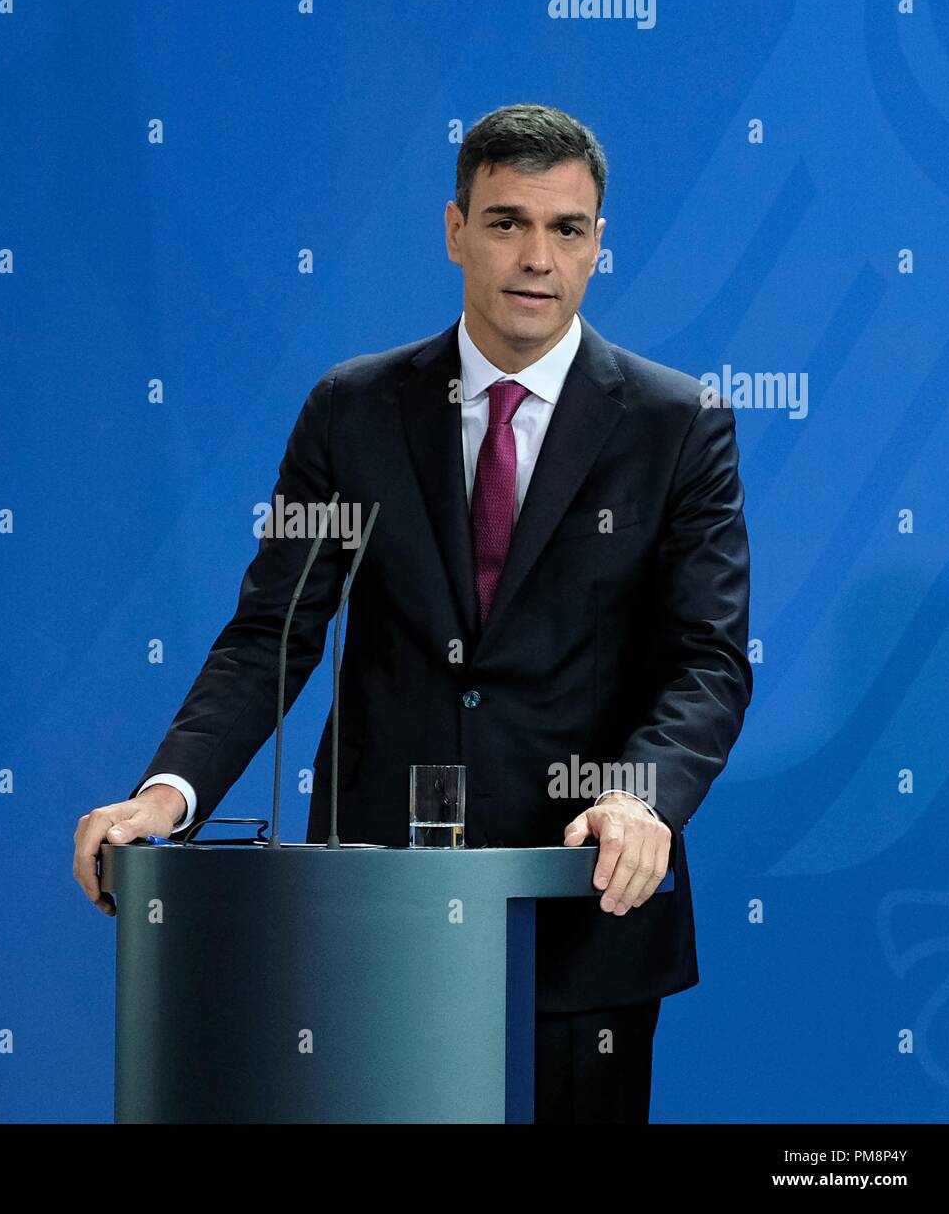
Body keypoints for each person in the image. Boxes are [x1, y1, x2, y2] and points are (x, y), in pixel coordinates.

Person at [74, 102, 752, 1123]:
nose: (536, 256)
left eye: (566, 229)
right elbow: (274, 630)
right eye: (505, 221)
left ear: (598, 244)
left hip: (578, 914)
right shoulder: (351, 408)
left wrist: (638, 798)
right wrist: (167, 795)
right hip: (367, 916)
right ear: (453, 229)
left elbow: (705, 658)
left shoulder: (676, 424)